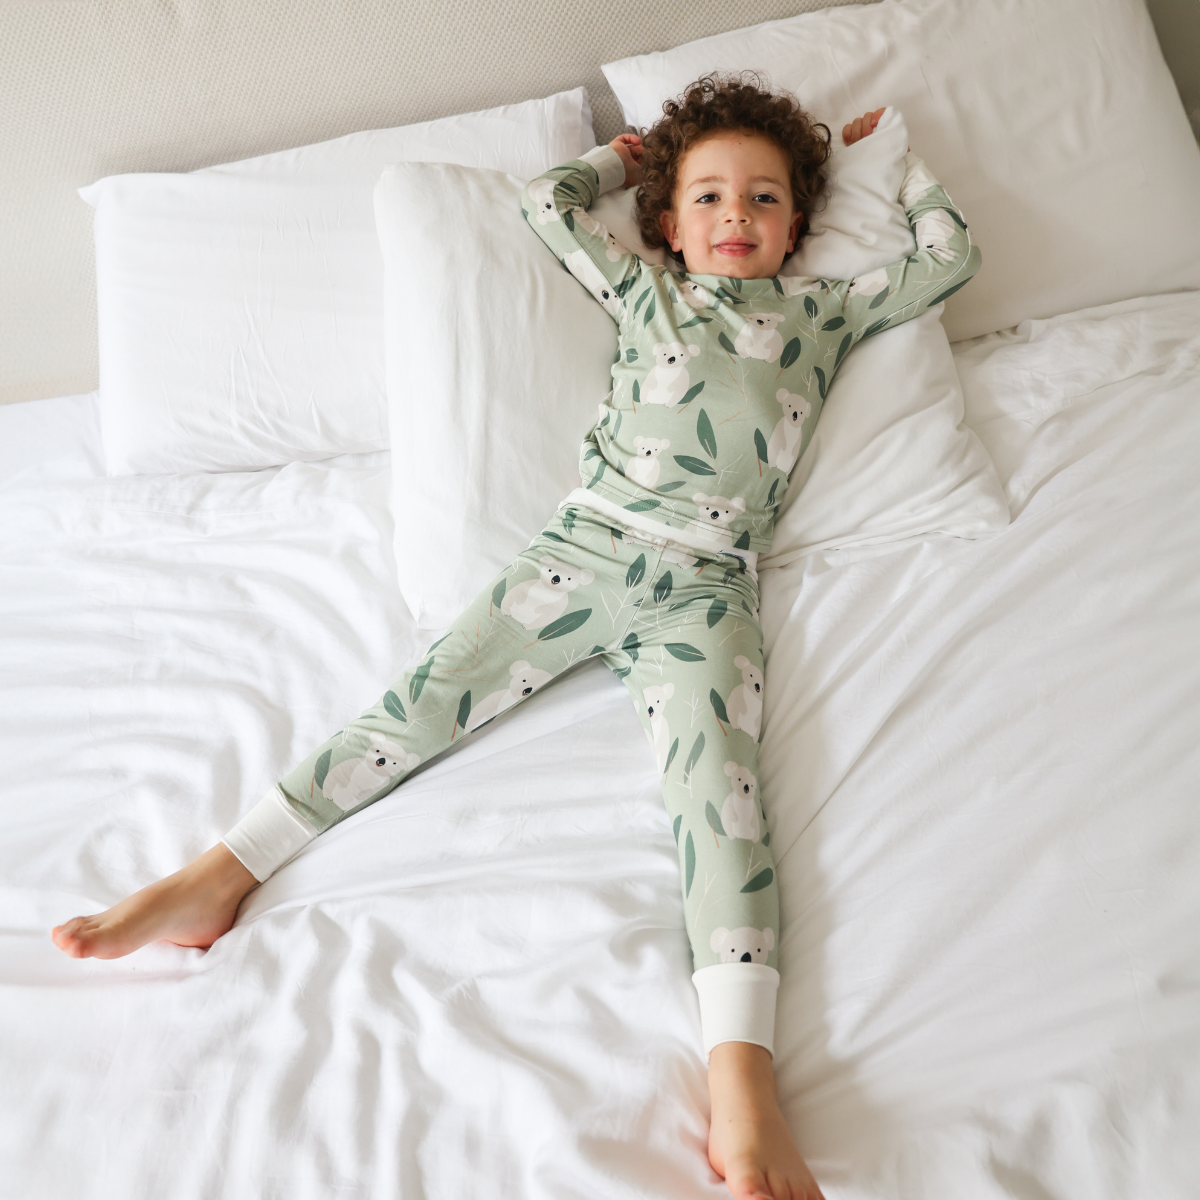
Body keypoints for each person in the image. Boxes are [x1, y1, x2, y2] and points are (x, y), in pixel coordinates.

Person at [53, 74, 980, 1200]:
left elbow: (946, 263)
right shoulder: (647, 292)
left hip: (708, 588)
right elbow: (547, 206)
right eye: (708, 197)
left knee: (723, 801)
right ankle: (219, 870)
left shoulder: (822, 313)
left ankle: (743, 1080)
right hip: (585, 551)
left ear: (796, 225)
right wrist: (617, 162)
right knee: (423, 703)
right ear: (670, 223)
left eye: (765, 198)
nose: (736, 215)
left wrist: (896, 161)